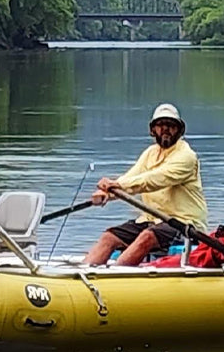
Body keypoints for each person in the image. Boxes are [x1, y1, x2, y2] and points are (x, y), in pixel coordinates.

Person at [82, 103, 207, 266]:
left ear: (179, 130)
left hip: (185, 224)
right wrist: (107, 194)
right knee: (109, 237)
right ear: (153, 130)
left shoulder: (187, 156)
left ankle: (115, 276)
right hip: (152, 220)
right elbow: (132, 177)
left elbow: (154, 180)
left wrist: (115, 184)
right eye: (160, 125)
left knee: (147, 237)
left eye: (170, 125)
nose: (165, 130)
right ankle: (82, 274)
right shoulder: (150, 153)